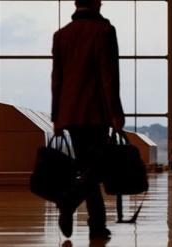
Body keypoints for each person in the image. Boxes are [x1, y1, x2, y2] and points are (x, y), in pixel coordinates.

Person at [51, 0, 124, 239]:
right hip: (96, 111)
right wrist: (116, 112)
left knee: (87, 165)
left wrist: (57, 116)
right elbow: (108, 76)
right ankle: (70, 201)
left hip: (70, 113)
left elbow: (57, 79)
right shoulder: (104, 32)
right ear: (96, 4)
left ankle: (97, 225)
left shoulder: (62, 35)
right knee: (96, 167)